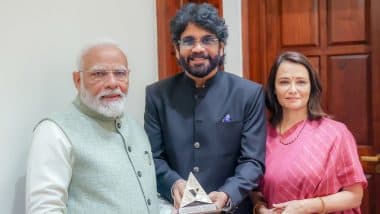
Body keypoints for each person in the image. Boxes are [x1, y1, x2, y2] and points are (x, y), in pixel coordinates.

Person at [144, 3, 266, 213]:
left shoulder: (248, 94)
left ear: (221, 47)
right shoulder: (157, 95)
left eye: (207, 40)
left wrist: (228, 194)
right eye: (188, 41)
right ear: (176, 48)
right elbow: (152, 156)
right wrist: (173, 183)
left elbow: (252, 160)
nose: (198, 48)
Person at [25, 39, 158, 213]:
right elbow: (44, 210)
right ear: (77, 80)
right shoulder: (54, 132)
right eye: (99, 74)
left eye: (120, 73)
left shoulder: (135, 127)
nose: (112, 83)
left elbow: (147, 200)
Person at [253, 51, 367, 213]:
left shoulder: (336, 133)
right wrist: (260, 208)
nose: (293, 89)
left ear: (311, 87)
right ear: (274, 89)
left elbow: (354, 196)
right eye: (284, 82)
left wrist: (305, 206)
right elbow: (253, 187)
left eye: (301, 82)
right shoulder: (260, 134)